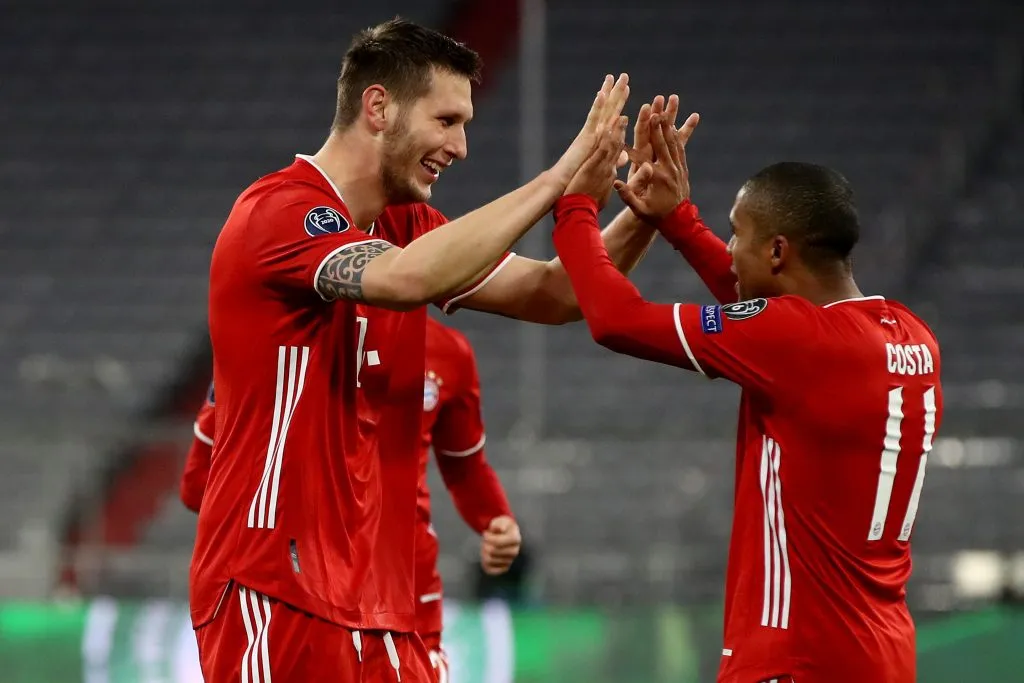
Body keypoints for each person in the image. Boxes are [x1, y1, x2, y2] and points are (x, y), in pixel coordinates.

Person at [191, 17, 642, 683]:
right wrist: (556, 182)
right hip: (268, 578)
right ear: (378, 107)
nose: (460, 146)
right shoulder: (280, 212)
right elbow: (404, 280)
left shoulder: (406, 226)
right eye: (447, 120)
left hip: (361, 592)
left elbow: (555, 295)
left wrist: (647, 214)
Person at [549, 106, 943, 683]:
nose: (729, 247)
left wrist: (575, 206)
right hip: (882, 652)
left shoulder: (799, 341)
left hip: (795, 656)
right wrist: (678, 220)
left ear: (779, 252)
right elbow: (761, 315)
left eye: (738, 233)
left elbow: (615, 319)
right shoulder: (910, 335)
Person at [181, 317, 520, 683]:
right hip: (307, 581)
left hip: (406, 583)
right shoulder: (292, 332)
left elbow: (465, 466)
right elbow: (198, 484)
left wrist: (495, 518)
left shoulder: (448, 352)